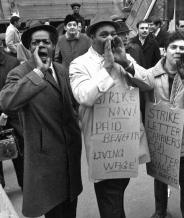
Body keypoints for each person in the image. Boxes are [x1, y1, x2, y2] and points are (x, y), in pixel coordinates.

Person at [0, 23, 82, 218]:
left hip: (70, 156)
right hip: (46, 161)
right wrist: (38, 72)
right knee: (55, 210)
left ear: (54, 46)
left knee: (70, 209)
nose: (41, 46)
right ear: (29, 48)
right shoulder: (20, 73)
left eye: (46, 42)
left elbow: (72, 104)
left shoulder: (61, 69)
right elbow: (6, 101)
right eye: (36, 42)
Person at [69, 18, 149, 218]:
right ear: (91, 37)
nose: (110, 38)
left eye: (113, 34)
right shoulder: (79, 64)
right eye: (104, 35)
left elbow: (148, 83)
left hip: (126, 142)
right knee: (111, 200)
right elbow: (84, 96)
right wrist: (106, 66)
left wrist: (126, 64)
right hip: (103, 148)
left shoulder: (124, 57)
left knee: (116, 195)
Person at [134, 31, 184, 218]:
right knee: (160, 181)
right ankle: (160, 211)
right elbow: (135, 77)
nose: (177, 51)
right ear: (164, 50)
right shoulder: (151, 74)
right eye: (173, 47)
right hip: (161, 142)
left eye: (182, 48)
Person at [0, 46, 23, 190]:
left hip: (10, 115)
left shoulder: (12, 62)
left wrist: (5, 112)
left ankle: (25, 184)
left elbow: (16, 90)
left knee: (18, 151)